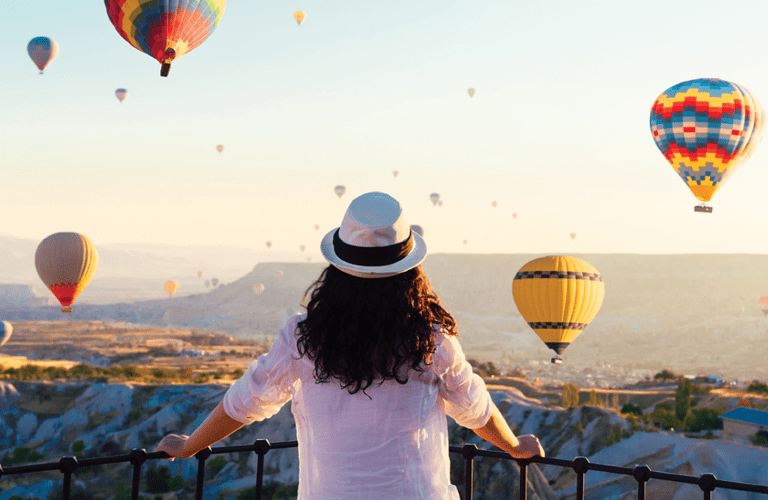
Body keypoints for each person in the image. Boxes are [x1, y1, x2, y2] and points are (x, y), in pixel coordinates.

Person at [155, 191, 544, 499]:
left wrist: (191, 445)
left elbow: (244, 402)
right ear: (409, 271)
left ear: (337, 268)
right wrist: (513, 447)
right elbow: (476, 410)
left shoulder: (302, 337)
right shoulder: (431, 339)